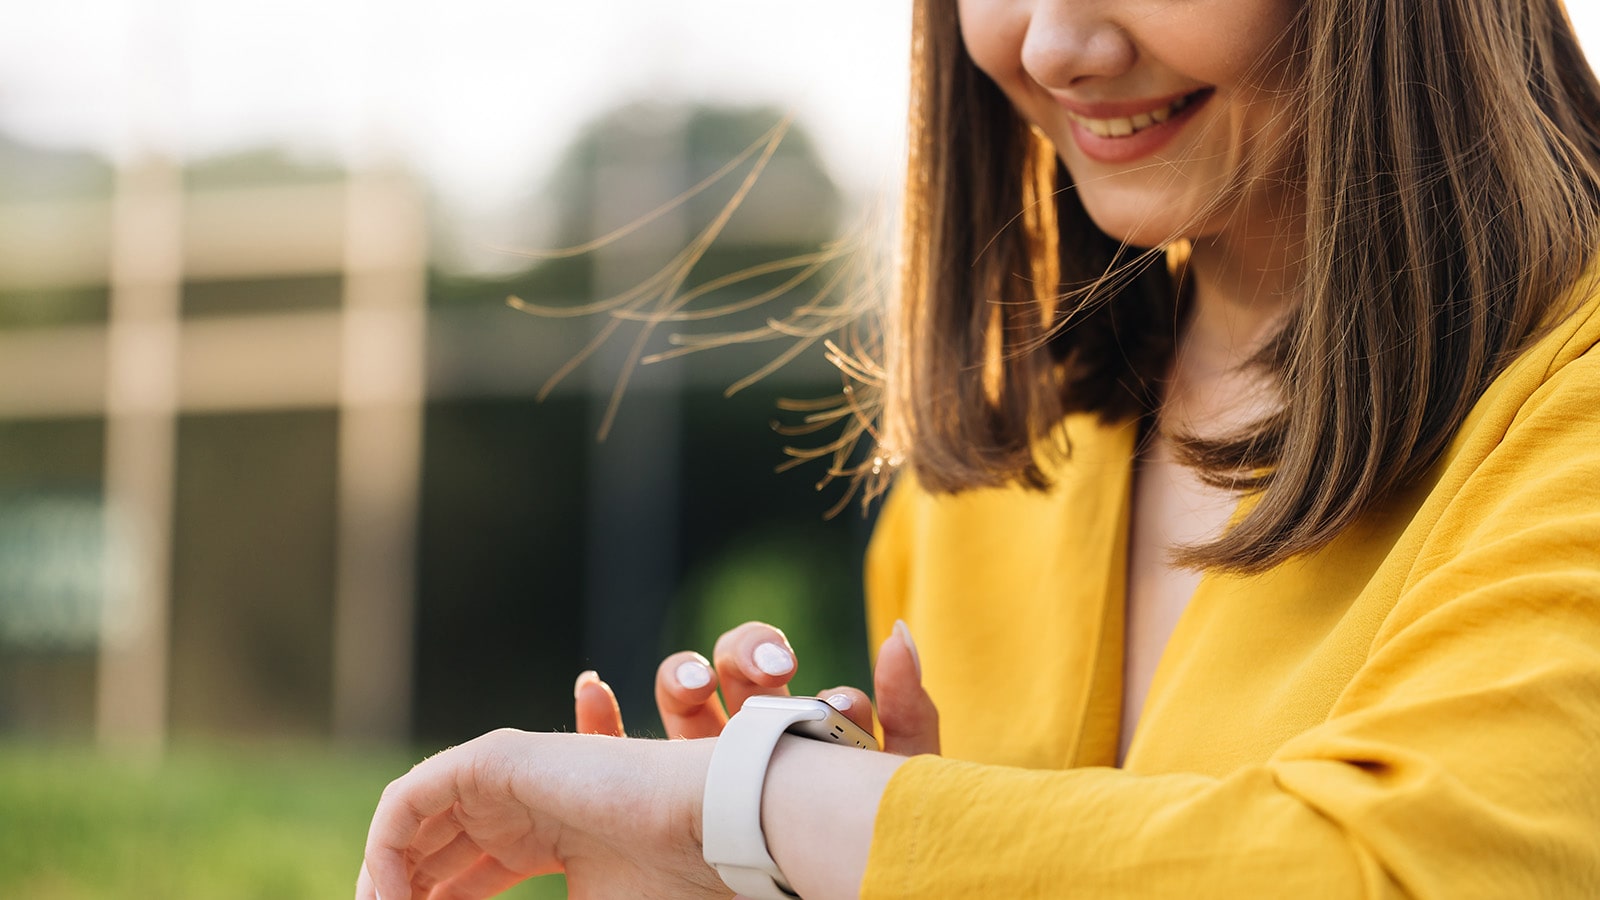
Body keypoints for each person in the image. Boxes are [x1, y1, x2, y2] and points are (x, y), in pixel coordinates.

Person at [357, 0, 1600, 896]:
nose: (1055, 41)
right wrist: (787, 869)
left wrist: (758, 804)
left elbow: (1397, 872)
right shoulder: (995, 479)